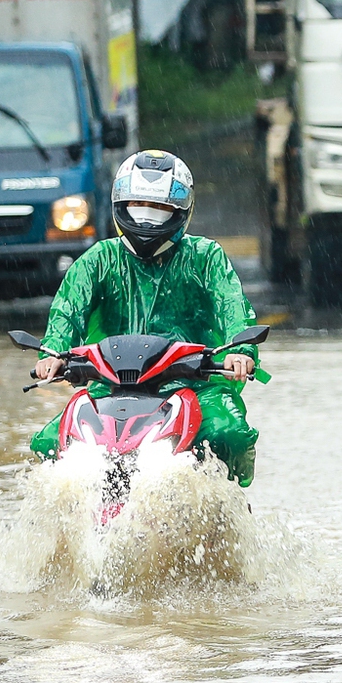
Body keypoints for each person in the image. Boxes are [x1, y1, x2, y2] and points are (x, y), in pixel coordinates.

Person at [30, 150, 263, 487]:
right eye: (138, 208)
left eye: (159, 210)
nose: (146, 221)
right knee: (47, 444)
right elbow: (68, 309)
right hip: (108, 386)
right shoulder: (98, 259)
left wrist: (242, 350)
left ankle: (231, 508)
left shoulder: (206, 257)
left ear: (182, 211)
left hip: (196, 385)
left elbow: (232, 306)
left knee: (230, 433)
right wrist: (52, 354)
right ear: (120, 207)